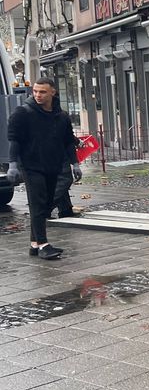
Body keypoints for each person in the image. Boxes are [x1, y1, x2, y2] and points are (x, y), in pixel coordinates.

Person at [6, 78, 79, 259]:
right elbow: (14, 139)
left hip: (52, 166)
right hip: (31, 166)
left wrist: (75, 163)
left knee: (45, 204)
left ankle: (34, 244)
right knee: (38, 204)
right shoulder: (23, 113)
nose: (38, 95)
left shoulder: (61, 116)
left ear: (53, 92)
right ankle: (44, 245)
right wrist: (13, 164)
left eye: (43, 92)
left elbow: (68, 141)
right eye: (36, 91)